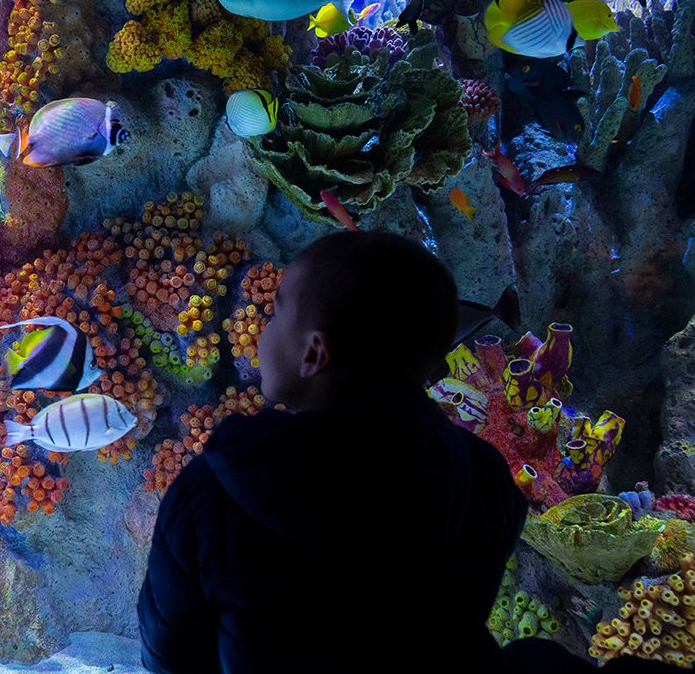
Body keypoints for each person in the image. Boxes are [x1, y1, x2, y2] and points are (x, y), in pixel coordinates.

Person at [137, 231, 529, 672]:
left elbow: (167, 656)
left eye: (277, 312)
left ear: (313, 353)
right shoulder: (486, 479)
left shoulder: (211, 493)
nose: (264, 329)